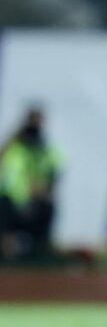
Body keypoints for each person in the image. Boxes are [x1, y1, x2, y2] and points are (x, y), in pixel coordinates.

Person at [0, 107, 60, 262]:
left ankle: (40, 248)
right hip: (11, 203)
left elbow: (54, 171)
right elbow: (10, 181)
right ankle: (6, 246)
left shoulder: (44, 149)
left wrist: (41, 190)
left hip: (33, 202)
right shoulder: (15, 148)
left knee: (47, 206)